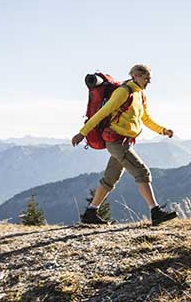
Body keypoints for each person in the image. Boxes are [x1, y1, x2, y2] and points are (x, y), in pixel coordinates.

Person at [71, 64, 178, 226]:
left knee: (110, 179)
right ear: (135, 76)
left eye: (150, 79)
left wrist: (163, 131)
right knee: (142, 173)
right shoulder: (123, 92)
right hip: (116, 142)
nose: (149, 82)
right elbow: (102, 113)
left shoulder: (140, 94)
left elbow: (145, 119)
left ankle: (90, 212)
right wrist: (82, 132)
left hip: (124, 142)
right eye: (146, 78)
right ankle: (155, 211)